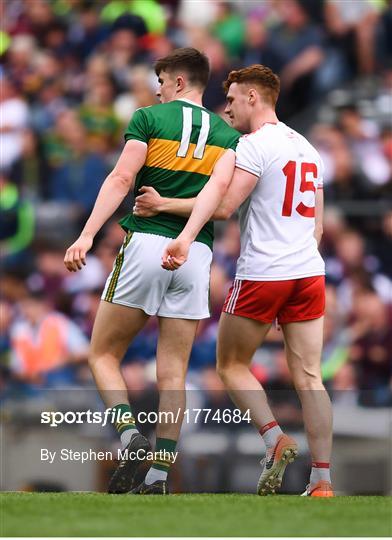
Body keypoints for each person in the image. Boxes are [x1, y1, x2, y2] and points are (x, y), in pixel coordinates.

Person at [135, 64, 334, 497]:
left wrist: (164, 204)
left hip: (264, 272)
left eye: (231, 100)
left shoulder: (254, 145)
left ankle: (274, 437)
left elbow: (223, 206)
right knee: (311, 378)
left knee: (229, 365)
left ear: (252, 97)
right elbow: (317, 228)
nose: (226, 109)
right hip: (308, 272)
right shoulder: (308, 149)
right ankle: (321, 480)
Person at [63, 47, 239, 495]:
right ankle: (160, 476)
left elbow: (122, 179)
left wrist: (86, 235)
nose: (156, 90)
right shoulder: (227, 133)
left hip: (146, 244)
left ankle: (130, 437)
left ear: (179, 82)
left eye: (161, 81)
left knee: (102, 355)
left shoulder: (148, 118)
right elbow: (219, 206)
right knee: (174, 372)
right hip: (195, 253)